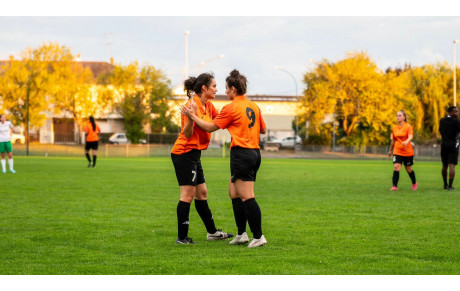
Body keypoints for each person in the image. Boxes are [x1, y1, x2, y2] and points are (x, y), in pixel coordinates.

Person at [181, 69, 268, 248]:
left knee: (247, 195)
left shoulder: (231, 107)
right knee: (234, 193)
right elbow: (263, 130)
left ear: (234, 89)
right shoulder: (253, 105)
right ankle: (242, 234)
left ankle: (258, 236)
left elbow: (211, 127)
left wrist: (192, 116)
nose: (225, 91)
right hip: (253, 153)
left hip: (242, 153)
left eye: (227, 88)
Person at [171, 73, 234, 244]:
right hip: (184, 153)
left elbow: (217, 123)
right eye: (214, 86)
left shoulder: (209, 106)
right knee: (187, 195)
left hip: (194, 154)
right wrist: (191, 118)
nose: (217, 89)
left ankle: (212, 232)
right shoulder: (190, 105)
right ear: (204, 88)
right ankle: (182, 238)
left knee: (202, 193)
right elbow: (187, 133)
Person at [388, 110, 417, 191]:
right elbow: (393, 141)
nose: (398, 117)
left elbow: (410, 136)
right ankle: (394, 186)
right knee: (396, 167)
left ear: (404, 117)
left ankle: (414, 182)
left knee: (408, 169)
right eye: (397, 115)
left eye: (400, 115)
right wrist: (390, 150)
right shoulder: (394, 128)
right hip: (397, 151)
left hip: (408, 152)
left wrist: (406, 141)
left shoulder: (408, 126)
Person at [439, 106, 460, 190]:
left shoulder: (442, 120)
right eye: (455, 112)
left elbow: (440, 131)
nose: (457, 113)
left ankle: (445, 185)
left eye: (457, 111)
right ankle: (450, 186)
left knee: (444, 165)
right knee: (452, 165)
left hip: (444, 145)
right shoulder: (456, 121)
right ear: (450, 112)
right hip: (453, 145)